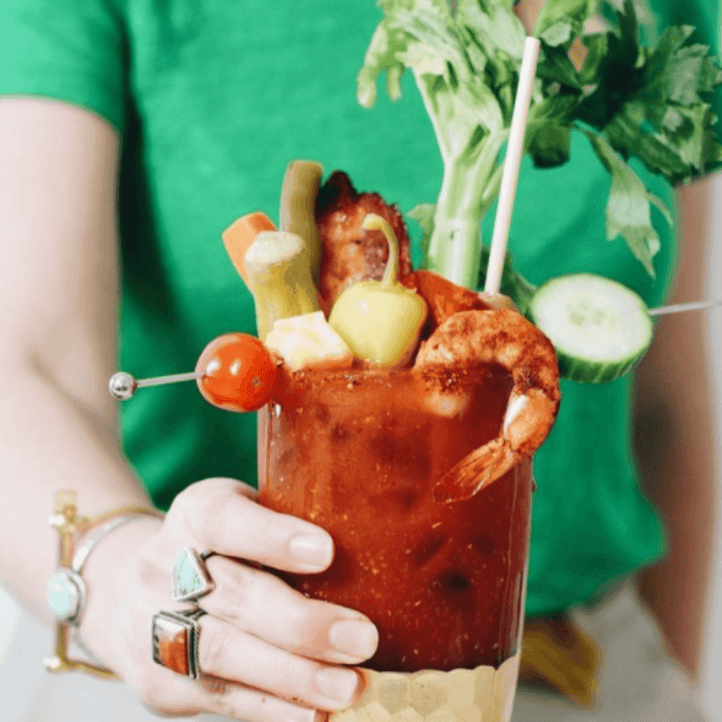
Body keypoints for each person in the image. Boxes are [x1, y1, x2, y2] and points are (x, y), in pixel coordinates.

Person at [0, 1, 718, 721]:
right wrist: (121, 571)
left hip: (580, 674)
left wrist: (664, 685)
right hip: (209, 679)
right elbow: (27, 364)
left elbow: (669, 410)